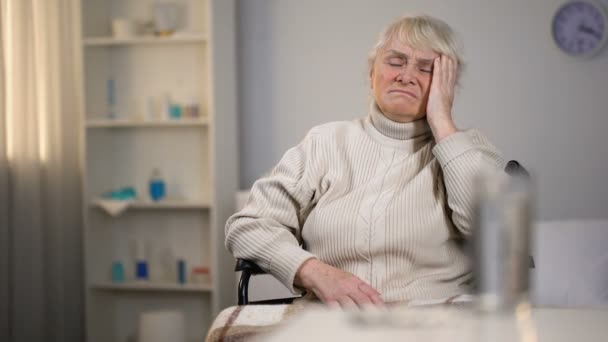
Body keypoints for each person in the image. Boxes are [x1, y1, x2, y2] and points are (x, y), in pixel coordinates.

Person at [225, 14, 505, 307]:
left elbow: (497, 232)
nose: (406, 76)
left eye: (427, 69)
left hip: (435, 321)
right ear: (372, 73)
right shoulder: (324, 142)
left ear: (447, 86)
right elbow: (247, 226)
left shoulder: (469, 150)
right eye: (395, 62)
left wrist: (443, 122)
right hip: (330, 320)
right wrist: (312, 272)